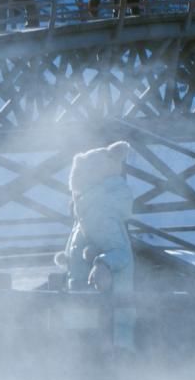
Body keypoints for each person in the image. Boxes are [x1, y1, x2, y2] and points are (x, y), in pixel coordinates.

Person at [56, 140, 137, 350]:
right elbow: (97, 241)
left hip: (100, 310)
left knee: (92, 355)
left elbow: (120, 253)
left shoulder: (97, 209)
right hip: (94, 306)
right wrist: (72, 257)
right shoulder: (89, 207)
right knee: (92, 351)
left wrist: (102, 263)